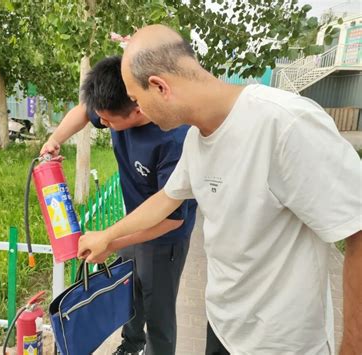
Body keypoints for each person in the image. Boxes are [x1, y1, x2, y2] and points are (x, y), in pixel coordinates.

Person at [78, 25, 362, 355]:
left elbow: (356, 227)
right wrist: (108, 237)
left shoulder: (284, 123)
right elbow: (165, 199)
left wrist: (352, 348)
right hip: (223, 328)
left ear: (160, 87)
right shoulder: (197, 140)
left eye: (137, 99)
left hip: (281, 344)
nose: (138, 109)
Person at [40, 56, 197, 355]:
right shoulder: (119, 100)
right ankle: (131, 344)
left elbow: (172, 218)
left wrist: (112, 240)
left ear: (138, 107)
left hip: (167, 237)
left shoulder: (175, 139)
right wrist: (55, 139)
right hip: (132, 223)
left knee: (158, 311)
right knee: (130, 292)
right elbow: (85, 113)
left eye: (109, 121)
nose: (104, 125)